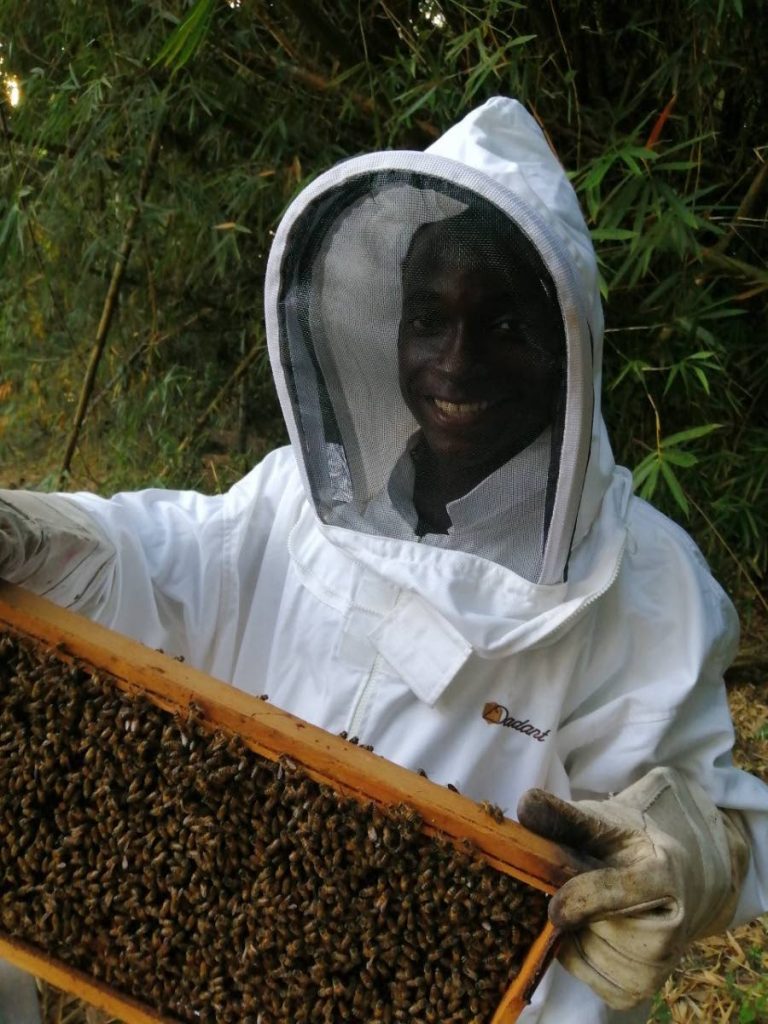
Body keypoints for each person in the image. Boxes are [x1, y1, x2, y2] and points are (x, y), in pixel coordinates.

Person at [1, 96, 766, 1023]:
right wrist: (35, 534)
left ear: (569, 346)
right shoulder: (298, 502)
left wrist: (694, 856)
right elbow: (164, 558)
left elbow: (714, 821)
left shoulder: (651, 590)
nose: (454, 362)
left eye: (503, 325)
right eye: (426, 319)